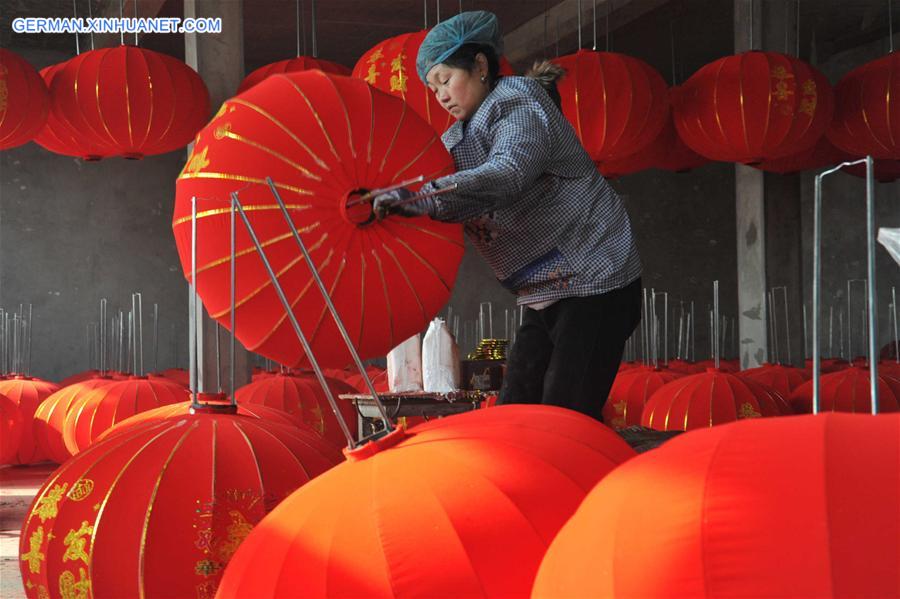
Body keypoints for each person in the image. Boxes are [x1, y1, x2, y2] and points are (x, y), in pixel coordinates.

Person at [373, 10, 642, 422]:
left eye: (446, 79)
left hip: (594, 281)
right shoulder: (456, 138)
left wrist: (417, 197)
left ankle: (578, 481)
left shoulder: (518, 103)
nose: (441, 95)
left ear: (481, 66)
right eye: (433, 88)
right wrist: (396, 205)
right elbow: (451, 198)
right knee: (515, 408)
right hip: (543, 292)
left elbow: (509, 172)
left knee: (563, 413)